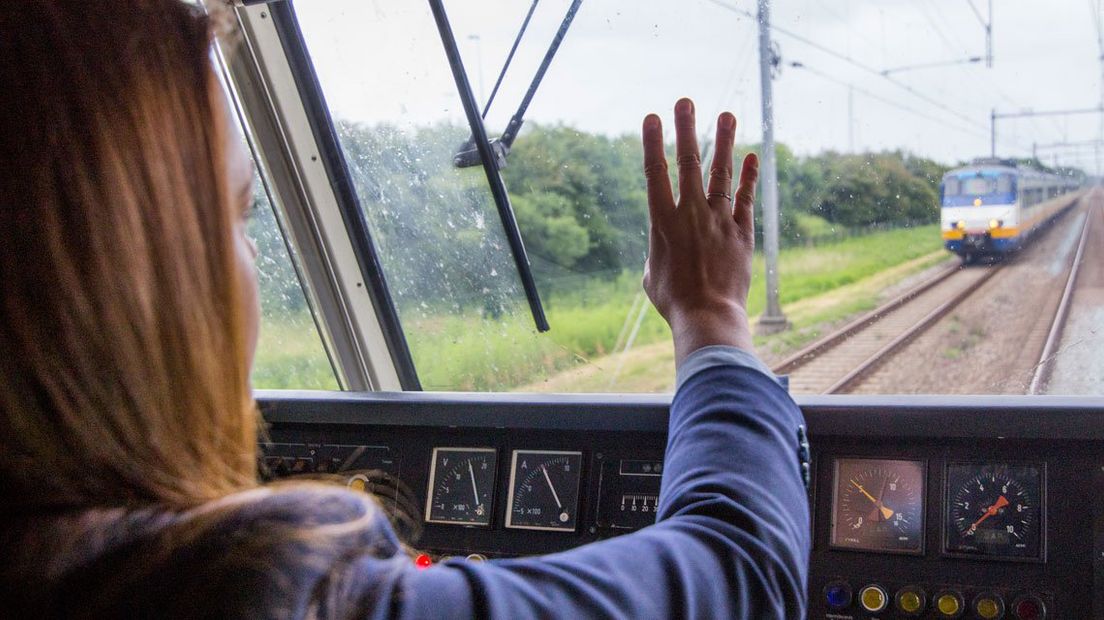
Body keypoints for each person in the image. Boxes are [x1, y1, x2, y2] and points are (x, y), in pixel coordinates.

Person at [0, 1, 809, 618]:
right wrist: (709, 314)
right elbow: (737, 569)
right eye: (241, 217)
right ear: (140, 282)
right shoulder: (260, 590)